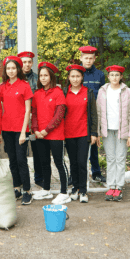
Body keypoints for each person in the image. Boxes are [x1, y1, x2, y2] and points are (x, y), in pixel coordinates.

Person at [31, 62, 70, 204]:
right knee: (44, 163)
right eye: (41, 75)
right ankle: (46, 190)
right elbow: (34, 113)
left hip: (54, 134)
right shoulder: (37, 93)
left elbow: (59, 115)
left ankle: (64, 192)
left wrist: (46, 130)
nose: (43, 78)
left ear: (51, 76)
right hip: (40, 134)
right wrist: (36, 130)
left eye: (45, 75)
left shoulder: (58, 92)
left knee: (59, 162)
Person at [97, 65, 130, 202]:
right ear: (108, 76)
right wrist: (97, 133)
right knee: (110, 158)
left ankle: (118, 187)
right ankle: (111, 186)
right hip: (107, 130)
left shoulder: (127, 91)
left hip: (121, 130)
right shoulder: (102, 91)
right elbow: (98, 112)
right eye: (112, 75)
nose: (114, 77)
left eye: (117, 75)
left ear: (121, 77)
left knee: (120, 158)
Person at [0, 56, 34, 205]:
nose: (11, 71)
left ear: (18, 69)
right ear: (5, 71)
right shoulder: (2, 87)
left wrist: (23, 132)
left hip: (21, 130)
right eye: (8, 68)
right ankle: (17, 188)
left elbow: (28, 111)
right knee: (12, 160)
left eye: (13, 68)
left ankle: (27, 190)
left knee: (21, 160)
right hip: (7, 129)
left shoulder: (24, 85)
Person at [63, 64, 98, 204]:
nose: (75, 79)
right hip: (68, 133)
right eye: (72, 76)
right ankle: (75, 188)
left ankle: (83, 190)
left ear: (82, 77)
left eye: (78, 76)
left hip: (84, 133)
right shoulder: (64, 92)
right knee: (73, 163)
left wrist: (94, 132)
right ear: (69, 78)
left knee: (82, 162)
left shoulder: (88, 92)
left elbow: (94, 115)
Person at [79, 46, 106, 183]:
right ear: (81, 58)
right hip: (78, 114)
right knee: (77, 146)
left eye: (91, 58)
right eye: (86, 58)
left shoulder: (100, 75)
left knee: (94, 144)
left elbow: (103, 94)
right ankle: (75, 174)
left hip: (93, 114)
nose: (88, 61)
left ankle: (96, 172)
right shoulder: (76, 72)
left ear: (94, 59)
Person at [17, 51, 43, 188]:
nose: (26, 65)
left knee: (37, 150)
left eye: (29, 62)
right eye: (23, 62)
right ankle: (21, 179)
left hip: (33, 120)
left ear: (32, 63)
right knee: (21, 153)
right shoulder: (15, 78)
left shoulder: (38, 79)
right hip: (18, 121)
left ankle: (39, 177)